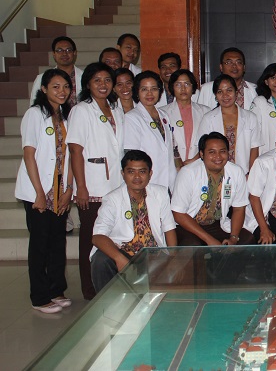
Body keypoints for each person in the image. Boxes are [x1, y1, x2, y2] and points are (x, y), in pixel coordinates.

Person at [16, 69, 74, 313]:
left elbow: (70, 156)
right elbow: (29, 154)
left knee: (57, 242)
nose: (62, 91)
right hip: (39, 188)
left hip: (60, 189)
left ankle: (56, 290)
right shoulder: (34, 114)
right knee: (40, 244)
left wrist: (68, 189)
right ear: (43, 89)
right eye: (55, 87)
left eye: (66, 87)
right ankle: (39, 297)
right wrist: (39, 193)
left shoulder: (66, 115)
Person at [67, 63, 125, 300]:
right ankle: (90, 290)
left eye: (107, 80)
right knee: (90, 239)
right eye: (97, 80)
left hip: (116, 184)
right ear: (87, 84)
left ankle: (109, 284)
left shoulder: (116, 108)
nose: (103, 85)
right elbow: (75, 150)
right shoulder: (81, 110)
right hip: (92, 186)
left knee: (112, 236)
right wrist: (81, 187)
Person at [90, 151, 176, 292]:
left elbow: (169, 227)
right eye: (131, 172)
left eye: (142, 171)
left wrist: (173, 258)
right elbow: (98, 236)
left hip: (153, 253)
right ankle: (106, 302)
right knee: (101, 260)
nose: (137, 177)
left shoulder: (160, 193)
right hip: (124, 252)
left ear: (150, 174)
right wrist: (119, 258)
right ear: (123, 174)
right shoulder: (112, 199)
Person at [171, 132, 254, 245]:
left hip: (215, 224)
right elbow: (178, 214)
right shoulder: (188, 173)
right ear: (201, 154)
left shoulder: (236, 172)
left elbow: (239, 209)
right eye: (212, 152)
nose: (218, 157)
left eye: (222, 151)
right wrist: (209, 239)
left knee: (247, 239)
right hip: (189, 224)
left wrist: (233, 238)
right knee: (193, 247)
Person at [195, 74, 261, 175]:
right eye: (220, 92)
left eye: (229, 90)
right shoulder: (208, 118)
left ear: (236, 92)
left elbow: (254, 149)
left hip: (244, 173)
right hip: (215, 173)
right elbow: (203, 149)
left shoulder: (250, 117)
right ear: (215, 96)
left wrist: (251, 175)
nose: (225, 95)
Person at [123, 71, 176, 192]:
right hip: (146, 182)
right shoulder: (132, 118)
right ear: (137, 92)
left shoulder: (164, 115)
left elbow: (171, 149)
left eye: (154, 89)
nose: (149, 93)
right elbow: (131, 155)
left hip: (169, 180)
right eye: (144, 89)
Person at [163, 69, 209, 169]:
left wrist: (195, 159)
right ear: (172, 87)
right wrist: (177, 162)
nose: (183, 89)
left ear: (193, 87)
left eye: (187, 84)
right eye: (178, 84)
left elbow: (209, 141)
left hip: (199, 164)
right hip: (171, 166)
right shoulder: (162, 113)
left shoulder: (205, 111)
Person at [29, 36, 83, 107]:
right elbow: (34, 104)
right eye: (59, 50)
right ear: (54, 54)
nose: (64, 54)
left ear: (74, 53)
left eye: (68, 50)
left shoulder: (85, 76)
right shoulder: (41, 78)